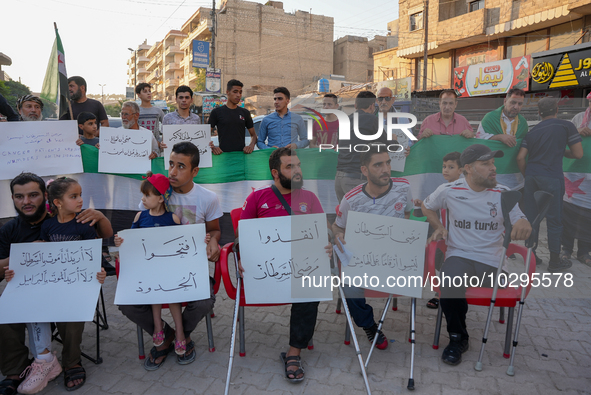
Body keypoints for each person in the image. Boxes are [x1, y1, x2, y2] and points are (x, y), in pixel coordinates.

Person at [0, 173, 113, 394]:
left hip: (68, 287)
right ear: (12, 198)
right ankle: (15, 370)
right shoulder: (9, 229)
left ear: (46, 196)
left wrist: (99, 217)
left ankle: (71, 362)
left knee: (70, 308)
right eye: (19, 197)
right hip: (27, 290)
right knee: (5, 311)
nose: (26, 202)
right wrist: (21, 259)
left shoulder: (75, 217)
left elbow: (102, 239)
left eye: (33, 195)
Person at [421, 144, 531, 366]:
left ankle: (457, 315)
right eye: (486, 163)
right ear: (468, 168)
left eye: (493, 162)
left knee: (455, 286)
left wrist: (524, 223)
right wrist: (438, 226)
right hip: (458, 255)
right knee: (450, 283)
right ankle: (457, 338)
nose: (493, 168)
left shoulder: (504, 194)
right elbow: (426, 206)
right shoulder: (449, 190)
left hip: (492, 261)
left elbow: (521, 219)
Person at [118, 142, 219, 370]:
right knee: (127, 304)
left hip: (189, 271)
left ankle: (173, 337)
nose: (172, 171)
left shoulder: (207, 198)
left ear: (195, 171)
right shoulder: (156, 193)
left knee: (205, 301)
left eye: (181, 166)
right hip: (152, 270)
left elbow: (214, 229)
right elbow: (140, 231)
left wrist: (213, 240)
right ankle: (170, 335)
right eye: (171, 164)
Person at [238, 147, 330, 383]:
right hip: (267, 274)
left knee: (311, 287)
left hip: (301, 271)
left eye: (298, 165)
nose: (298, 170)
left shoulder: (309, 198)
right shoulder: (257, 198)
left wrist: (326, 248)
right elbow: (243, 237)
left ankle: (294, 352)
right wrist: (242, 258)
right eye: (290, 166)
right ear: (275, 173)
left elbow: (321, 236)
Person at [332, 148, 413, 350]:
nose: (386, 169)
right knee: (349, 288)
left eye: (387, 163)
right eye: (378, 165)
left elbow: (408, 214)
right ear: (364, 170)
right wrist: (339, 235)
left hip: (396, 259)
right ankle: (369, 325)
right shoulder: (351, 198)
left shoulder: (404, 187)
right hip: (364, 260)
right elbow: (337, 226)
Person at [516, 98, 583, 272]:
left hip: (531, 177)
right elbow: (578, 154)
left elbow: (520, 157)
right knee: (554, 220)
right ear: (557, 109)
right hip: (552, 177)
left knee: (532, 218)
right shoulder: (566, 126)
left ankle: (531, 256)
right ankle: (554, 261)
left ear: (538, 113)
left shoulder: (532, 132)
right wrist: (561, 151)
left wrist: (528, 175)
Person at [425, 151, 463, 310]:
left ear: (462, 170)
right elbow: (431, 206)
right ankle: (438, 293)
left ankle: (442, 295)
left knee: (452, 265)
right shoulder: (443, 188)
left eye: (451, 167)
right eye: (444, 166)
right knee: (441, 265)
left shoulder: (465, 189)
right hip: (443, 234)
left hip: (459, 237)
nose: (445, 170)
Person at [334, 91, 385, 203]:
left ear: (356, 105)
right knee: (363, 217)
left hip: (339, 178)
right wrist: (394, 139)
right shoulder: (372, 120)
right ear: (372, 106)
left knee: (345, 217)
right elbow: (388, 146)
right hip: (356, 178)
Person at [209, 79, 257, 154]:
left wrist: (251, 145)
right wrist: (213, 147)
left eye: (240, 92)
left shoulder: (245, 113)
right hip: (223, 156)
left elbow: (254, 135)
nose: (238, 95)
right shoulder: (216, 112)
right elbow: (206, 135)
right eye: (235, 92)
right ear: (227, 92)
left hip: (241, 156)